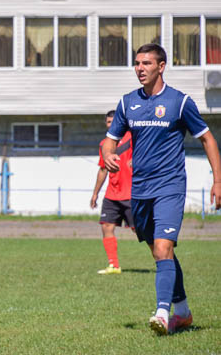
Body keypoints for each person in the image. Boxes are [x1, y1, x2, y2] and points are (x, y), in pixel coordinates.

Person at [103, 43, 221, 335]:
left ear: (161, 66)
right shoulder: (127, 102)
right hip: (139, 190)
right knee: (159, 253)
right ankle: (182, 311)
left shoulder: (179, 102)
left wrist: (218, 180)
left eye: (146, 63)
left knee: (163, 247)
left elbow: (207, 139)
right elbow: (110, 139)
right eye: (137, 63)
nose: (139, 68)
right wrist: (108, 153)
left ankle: (162, 314)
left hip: (170, 186)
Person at [90, 110, 134, 275]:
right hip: (112, 194)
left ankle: (163, 259)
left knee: (141, 230)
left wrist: (137, 160)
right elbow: (102, 170)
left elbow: (148, 151)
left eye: (113, 122)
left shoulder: (132, 137)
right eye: (108, 122)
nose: (110, 125)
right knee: (106, 227)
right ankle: (114, 265)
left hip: (131, 193)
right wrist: (95, 193)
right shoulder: (104, 145)